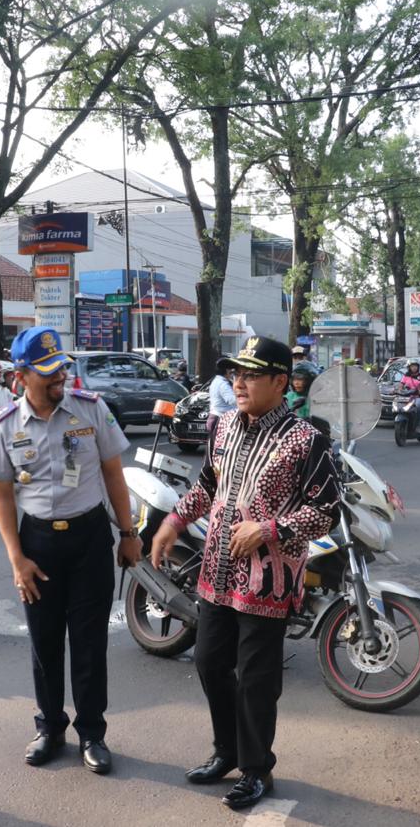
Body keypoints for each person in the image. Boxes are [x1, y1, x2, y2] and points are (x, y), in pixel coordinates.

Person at [151, 336, 340, 811]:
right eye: (236, 373)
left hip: (267, 583)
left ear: (280, 381)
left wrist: (270, 530)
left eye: (251, 374)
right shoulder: (222, 428)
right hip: (216, 573)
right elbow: (207, 486)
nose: (239, 382)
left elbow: (328, 510)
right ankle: (226, 751)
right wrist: (172, 522)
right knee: (210, 662)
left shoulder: (306, 439)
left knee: (256, 680)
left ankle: (257, 769)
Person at [0, 326, 140, 775]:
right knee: (44, 642)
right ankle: (50, 728)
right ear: (23, 375)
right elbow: (1, 496)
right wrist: (17, 559)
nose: (60, 380)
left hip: (89, 539)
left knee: (89, 645)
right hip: (38, 544)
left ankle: (92, 732)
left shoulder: (91, 409)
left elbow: (114, 474)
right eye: (49, 373)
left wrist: (128, 533)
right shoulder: (5, 425)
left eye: (62, 370)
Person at [400, 360, 420, 433]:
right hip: (408, 397)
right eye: (412, 366)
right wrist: (396, 391)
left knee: (419, 406)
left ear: (418, 367)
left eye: (415, 366)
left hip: (418, 397)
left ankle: (419, 426)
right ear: (409, 367)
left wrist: (419, 391)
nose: (414, 368)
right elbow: (400, 386)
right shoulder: (406, 376)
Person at [207, 365, 237, 432]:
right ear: (227, 371)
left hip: (214, 417)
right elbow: (232, 400)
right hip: (221, 419)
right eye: (231, 370)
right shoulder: (223, 384)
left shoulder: (216, 381)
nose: (232, 372)